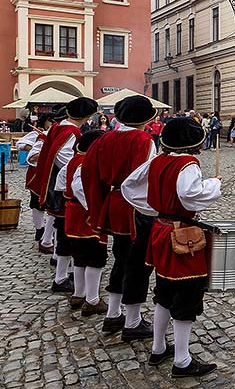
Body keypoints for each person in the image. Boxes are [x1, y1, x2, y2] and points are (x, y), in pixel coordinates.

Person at [122, 117, 221, 378]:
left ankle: (158, 347)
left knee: (164, 291)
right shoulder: (187, 164)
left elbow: (129, 186)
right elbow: (191, 194)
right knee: (186, 295)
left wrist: (155, 208)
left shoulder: (156, 161)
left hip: (160, 229)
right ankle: (182, 361)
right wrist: (214, 184)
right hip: (182, 234)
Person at [81, 95, 158, 338]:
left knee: (120, 258)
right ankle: (133, 321)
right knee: (138, 264)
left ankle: (113, 314)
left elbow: (88, 173)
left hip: (113, 203)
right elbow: (146, 178)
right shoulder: (144, 140)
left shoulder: (104, 139)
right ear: (145, 119)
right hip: (135, 207)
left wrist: (98, 204)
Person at [33, 97, 98, 294]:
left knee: (62, 231)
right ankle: (60, 278)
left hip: (55, 183)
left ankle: (60, 268)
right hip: (63, 187)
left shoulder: (58, 127)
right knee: (66, 234)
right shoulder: (71, 131)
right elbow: (65, 159)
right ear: (86, 116)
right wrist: (82, 171)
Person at [58, 129, 107, 316]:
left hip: (72, 212)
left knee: (79, 255)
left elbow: (62, 182)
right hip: (86, 214)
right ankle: (92, 299)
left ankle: (79, 294)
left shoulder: (73, 160)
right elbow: (78, 186)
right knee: (95, 256)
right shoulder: (86, 162)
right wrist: (93, 207)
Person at [18, 112, 55, 247]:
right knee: (36, 202)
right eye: (49, 121)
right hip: (37, 172)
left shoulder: (57, 134)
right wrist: (41, 149)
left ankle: (50, 233)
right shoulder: (38, 135)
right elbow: (23, 146)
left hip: (52, 173)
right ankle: (39, 229)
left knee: (52, 203)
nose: (52, 123)